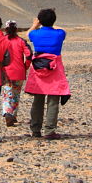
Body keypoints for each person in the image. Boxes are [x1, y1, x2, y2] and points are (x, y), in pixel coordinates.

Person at [25, 8, 70, 140]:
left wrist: (36, 24)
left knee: (37, 100)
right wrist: (49, 24)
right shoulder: (59, 33)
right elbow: (62, 30)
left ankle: (35, 129)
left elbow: (28, 34)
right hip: (54, 68)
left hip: (38, 68)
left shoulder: (35, 34)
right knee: (53, 101)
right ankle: (50, 130)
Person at [0, 19, 32, 127]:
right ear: (16, 29)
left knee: (7, 94)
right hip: (19, 72)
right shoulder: (21, 41)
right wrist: (25, 66)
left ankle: (8, 113)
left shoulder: (2, 40)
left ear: (6, 29)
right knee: (16, 94)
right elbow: (29, 55)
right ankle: (13, 114)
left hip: (6, 72)